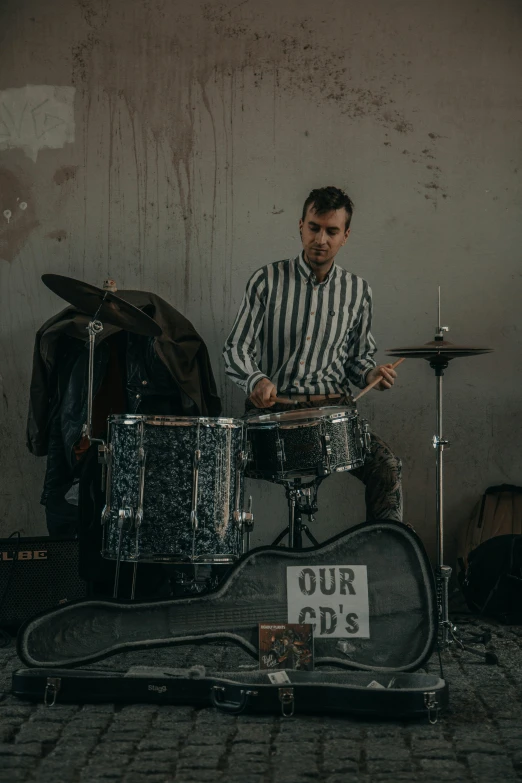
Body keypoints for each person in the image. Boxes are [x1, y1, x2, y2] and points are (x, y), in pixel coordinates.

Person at [223, 185, 402, 523]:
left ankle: (383, 561)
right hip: (273, 413)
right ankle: (221, 571)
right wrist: (255, 380)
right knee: (218, 463)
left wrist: (370, 374)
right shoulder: (266, 281)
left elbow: (357, 358)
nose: (321, 239)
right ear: (301, 226)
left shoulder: (358, 291)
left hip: (332, 413)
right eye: (314, 227)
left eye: (331, 231)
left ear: (345, 235)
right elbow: (236, 348)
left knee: (387, 467)